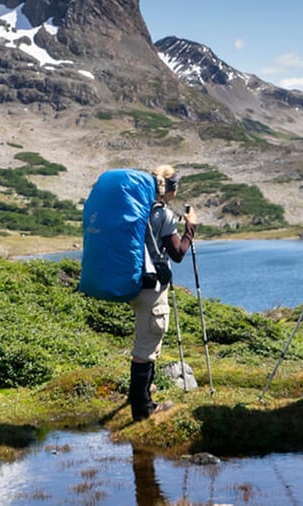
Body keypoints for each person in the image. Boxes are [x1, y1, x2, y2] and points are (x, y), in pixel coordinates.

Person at [128, 164, 196, 421]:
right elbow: (177, 253)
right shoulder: (164, 216)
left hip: (136, 285)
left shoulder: (140, 211)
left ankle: (144, 392)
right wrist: (190, 228)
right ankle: (143, 408)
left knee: (146, 340)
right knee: (146, 347)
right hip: (152, 288)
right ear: (171, 188)